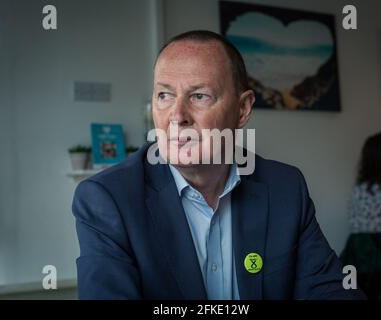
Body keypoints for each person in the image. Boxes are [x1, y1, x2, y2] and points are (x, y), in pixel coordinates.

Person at [72, 30, 365, 300]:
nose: (177, 116)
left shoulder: (285, 188)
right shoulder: (107, 199)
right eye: (164, 95)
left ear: (242, 109)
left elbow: (330, 291)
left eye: (199, 96)